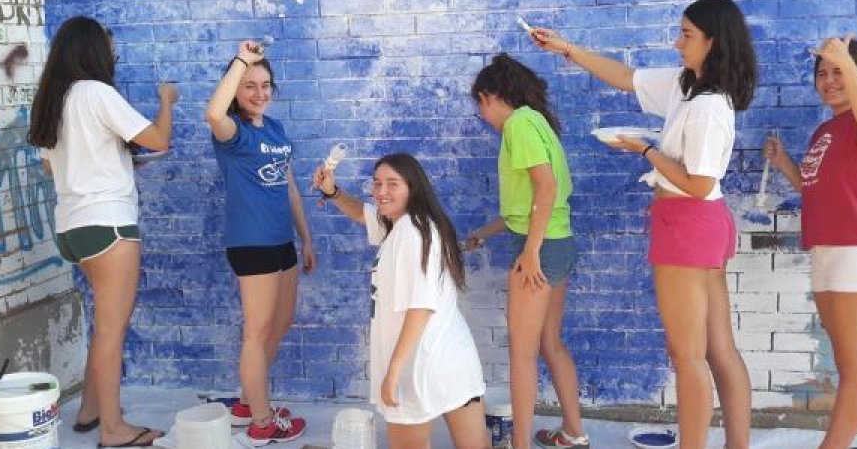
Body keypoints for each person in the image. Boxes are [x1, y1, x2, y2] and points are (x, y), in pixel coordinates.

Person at [530, 0, 755, 449]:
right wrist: (567, 49)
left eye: (687, 35)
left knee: (687, 355)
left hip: (688, 222)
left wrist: (645, 150)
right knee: (716, 349)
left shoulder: (709, 107)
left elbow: (698, 181)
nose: (678, 43)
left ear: (715, 42)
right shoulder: (687, 86)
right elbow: (627, 79)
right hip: (698, 221)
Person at [28, 16, 175, 448]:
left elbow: (50, 165)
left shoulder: (52, 99)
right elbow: (159, 140)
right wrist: (166, 101)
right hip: (108, 224)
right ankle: (114, 430)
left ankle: (91, 410)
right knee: (113, 329)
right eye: (109, 47)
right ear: (92, 50)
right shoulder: (96, 93)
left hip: (73, 228)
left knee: (104, 324)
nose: (113, 55)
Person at [763, 36, 857, 449]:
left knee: (853, 369)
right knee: (856, 362)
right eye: (823, 73)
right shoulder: (826, 129)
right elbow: (818, 189)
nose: (829, 80)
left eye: (839, 71)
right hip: (828, 252)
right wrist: (784, 163)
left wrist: (844, 60)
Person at [313, 153, 489, 449]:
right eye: (377, 183)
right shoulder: (409, 223)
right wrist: (333, 192)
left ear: (412, 187)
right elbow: (364, 213)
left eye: (392, 184)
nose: (381, 192)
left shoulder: (411, 234)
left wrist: (392, 371)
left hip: (417, 365)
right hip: (454, 361)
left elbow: (420, 306)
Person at [466, 54, 588, 449]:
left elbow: (546, 188)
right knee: (549, 341)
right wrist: (487, 231)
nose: (482, 116)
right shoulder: (536, 122)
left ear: (488, 97)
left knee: (521, 352)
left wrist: (530, 251)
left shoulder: (518, 124)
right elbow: (530, 201)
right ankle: (573, 432)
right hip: (558, 243)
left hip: (541, 249)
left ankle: (519, 444)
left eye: (479, 106)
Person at [203, 40, 313, 446]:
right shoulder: (231, 132)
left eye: (265, 84)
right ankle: (262, 421)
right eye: (249, 85)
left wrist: (307, 239)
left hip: (282, 241)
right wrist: (241, 61)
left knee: (279, 324)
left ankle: (251, 401)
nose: (259, 93)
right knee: (257, 332)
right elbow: (213, 111)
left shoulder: (275, 129)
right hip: (251, 244)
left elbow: (288, 185)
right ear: (235, 89)